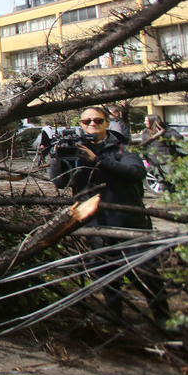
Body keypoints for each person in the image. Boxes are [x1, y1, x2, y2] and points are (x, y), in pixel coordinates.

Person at [48, 107, 169, 322]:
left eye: (97, 120)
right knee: (105, 272)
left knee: (146, 271)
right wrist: (57, 158)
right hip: (96, 222)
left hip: (129, 221)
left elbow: (136, 172)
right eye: (86, 121)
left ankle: (164, 318)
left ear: (106, 122)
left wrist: (98, 160)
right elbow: (60, 182)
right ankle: (114, 315)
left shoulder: (122, 147)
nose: (92, 124)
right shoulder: (77, 150)